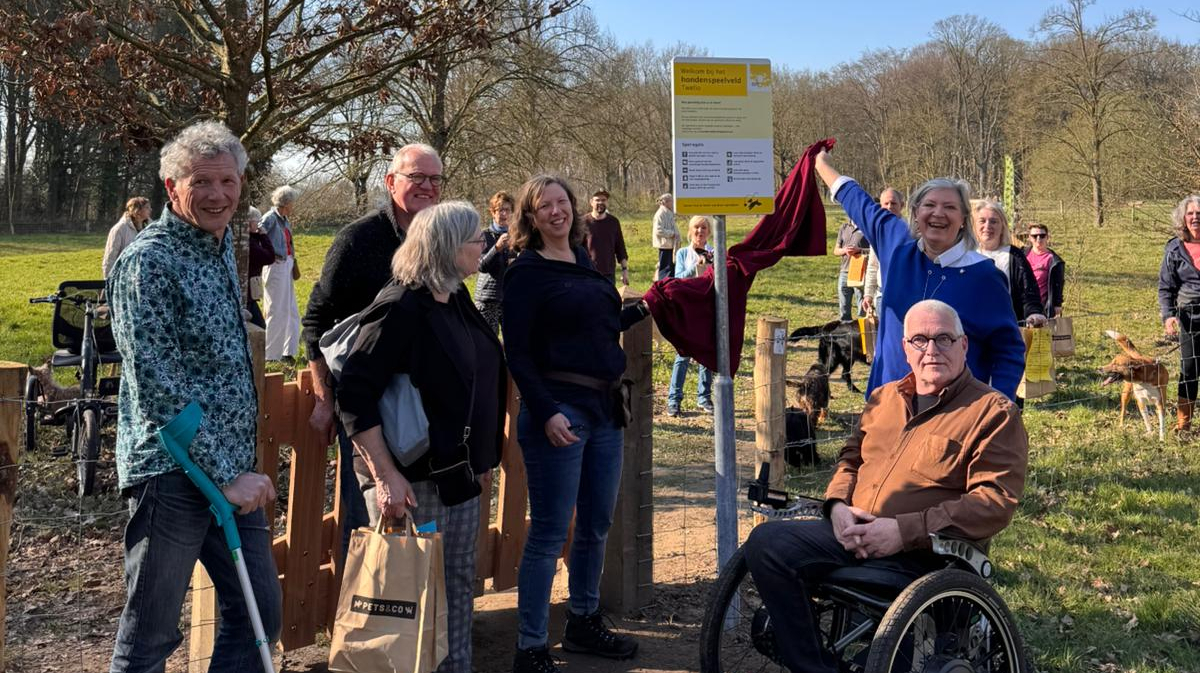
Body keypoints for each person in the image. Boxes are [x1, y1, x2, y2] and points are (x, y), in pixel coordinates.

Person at [743, 300, 1028, 673]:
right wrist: (837, 507)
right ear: (905, 348)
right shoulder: (883, 399)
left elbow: (993, 502)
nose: (932, 350)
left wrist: (902, 531)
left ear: (964, 346)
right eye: (920, 340)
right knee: (766, 543)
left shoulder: (993, 413)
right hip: (854, 534)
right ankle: (816, 666)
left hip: (926, 558)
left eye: (944, 338)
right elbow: (850, 459)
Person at [106, 121, 281, 672]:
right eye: (201, 182)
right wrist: (225, 473)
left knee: (260, 619)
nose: (217, 195)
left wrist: (235, 469)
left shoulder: (220, 247)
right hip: (172, 475)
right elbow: (159, 385)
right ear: (171, 186)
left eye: (228, 181)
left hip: (233, 471)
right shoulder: (148, 262)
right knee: (150, 637)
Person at [337, 201, 505, 673]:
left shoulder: (455, 297)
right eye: (476, 239)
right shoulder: (400, 307)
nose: (484, 246)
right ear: (448, 247)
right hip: (413, 487)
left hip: (457, 477)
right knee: (412, 602)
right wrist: (385, 475)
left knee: (455, 588)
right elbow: (353, 394)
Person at [502, 175, 650, 673]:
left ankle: (583, 621)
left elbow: (600, 326)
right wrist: (546, 411)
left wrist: (650, 304)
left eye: (562, 201)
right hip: (559, 412)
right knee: (548, 533)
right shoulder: (525, 272)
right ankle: (531, 647)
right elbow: (517, 354)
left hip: (604, 411)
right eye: (544, 206)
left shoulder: (585, 262)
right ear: (530, 216)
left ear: (574, 208)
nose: (556, 211)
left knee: (596, 524)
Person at [302, 143, 444, 551]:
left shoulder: (437, 239)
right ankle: (362, 611)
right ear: (391, 181)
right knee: (368, 518)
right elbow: (315, 319)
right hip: (368, 406)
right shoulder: (359, 239)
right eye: (417, 177)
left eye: (435, 179)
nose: (427, 187)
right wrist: (325, 396)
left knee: (422, 520)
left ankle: (416, 612)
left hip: (422, 405)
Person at [813, 149, 1026, 401]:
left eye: (949, 207)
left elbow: (1008, 350)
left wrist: (998, 406)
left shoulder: (983, 275)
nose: (938, 213)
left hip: (954, 412)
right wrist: (821, 163)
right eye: (929, 205)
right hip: (888, 404)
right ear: (915, 214)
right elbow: (859, 203)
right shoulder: (896, 248)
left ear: (963, 220)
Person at [1157, 195, 1200, 433]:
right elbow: (1166, 287)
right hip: (1189, 316)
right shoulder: (1174, 248)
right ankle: (1184, 424)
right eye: (1191, 214)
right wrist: (1168, 315)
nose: (1195, 218)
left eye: (1199, 214)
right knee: (1190, 369)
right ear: (1183, 219)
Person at [666, 215, 714, 416]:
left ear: (709, 232)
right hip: (687, 310)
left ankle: (704, 397)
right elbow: (678, 279)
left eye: (703, 228)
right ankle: (674, 400)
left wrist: (711, 263)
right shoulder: (683, 253)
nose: (700, 232)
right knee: (683, 355)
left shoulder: (715, 252)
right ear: (690, 230)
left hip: (707, 309)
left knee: (706, 356)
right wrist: (696, 267)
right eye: (696, 227)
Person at [972, 199, 1046, 326]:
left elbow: (1029, 294)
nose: (988, 226)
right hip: (971, 330)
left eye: (994, 221)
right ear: (974, 226)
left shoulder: (1015, 256)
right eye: (982, 221)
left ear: (1002, 226)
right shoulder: (965, 255)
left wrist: (1034, 313)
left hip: (1006, 328)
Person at [260, 185, 302, 362]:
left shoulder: (284, 220)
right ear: (285, 203)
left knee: (291, 311)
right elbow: (257, 234)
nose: (293, 206)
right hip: (275, 266)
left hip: (287, 265)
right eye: (292, 203)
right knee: (276, 311)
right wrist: (269, 255)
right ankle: (270, 355)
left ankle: (287, 352)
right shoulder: (270, 218)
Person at [476, 191, 518, 333]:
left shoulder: (517, 237)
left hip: (510, 298)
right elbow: (481, 266)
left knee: (514, 340)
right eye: (500, 210)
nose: (504, 214)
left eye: (507, 210)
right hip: (488, 299)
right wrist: (496, 248)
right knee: (489, 343)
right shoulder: (484, 235)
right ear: (493, 213)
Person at [861, 188, 904, 316]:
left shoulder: (912, 232)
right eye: (886, 204)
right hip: (882, 298)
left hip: (906, 297)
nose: (889, 207)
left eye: (893, 203)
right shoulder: (877, 233)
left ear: (901, 205)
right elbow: (873, 266)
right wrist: (868, 294)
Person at [583, 189, 630, 285]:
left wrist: (624, 270)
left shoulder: (613, 222)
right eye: (597, 200)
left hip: (609, 274)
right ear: (591, 202)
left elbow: (620, 247)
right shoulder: (583, 222)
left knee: (608, 300)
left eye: (603, 200)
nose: (600, 202)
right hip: (588, 272)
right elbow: (576, 248)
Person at [102, 197, 152, 278]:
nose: (150, 209)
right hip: (123, 278)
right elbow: (110, 257)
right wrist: (108, 280)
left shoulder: (150, 229)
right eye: (147, 207)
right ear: (137, 210)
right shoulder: (120, 229)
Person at [1024, 222, 1065, 319]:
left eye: (1042, 236)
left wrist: (1057, 304)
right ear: (1029, 238)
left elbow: (1058, 284)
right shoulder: (1022, 255)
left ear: (1047, 237)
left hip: (1043, 307)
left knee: (1041, 334)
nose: (1038, 239)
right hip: (1023, 305)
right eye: (1035, 236)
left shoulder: (1054, 261)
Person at [246, 206, 275, 329]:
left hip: (249, 292)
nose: (258, 225)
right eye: (256, 222)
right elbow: (269, 257)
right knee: (260, 327)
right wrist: (264, 236)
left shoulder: (249, 240)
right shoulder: (249, 243)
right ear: (248, 223)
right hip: (248, 295)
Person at [833, 218, 867, 321]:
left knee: (862, 310)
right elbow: (836, 250)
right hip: (844, 272)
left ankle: (863, 333)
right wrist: (844, 250)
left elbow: (875, 251)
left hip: (860, 272)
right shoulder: (844, 227)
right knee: (844, 309)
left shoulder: (867, 227)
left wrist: (859, 250)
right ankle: (846, 333)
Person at [651, 192, 679, 280]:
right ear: (666, 202)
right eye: (671, 201)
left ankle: (669, 282)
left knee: (670, 266)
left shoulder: (668, 213)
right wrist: (672, 233)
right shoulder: (660, 214)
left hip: (670, 245)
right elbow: (658, 230)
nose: (673, 203)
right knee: (665, 267)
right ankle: (663, 282)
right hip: (665, 245)